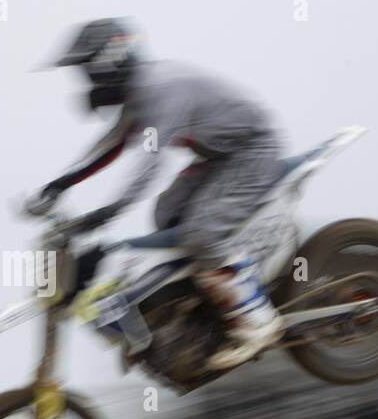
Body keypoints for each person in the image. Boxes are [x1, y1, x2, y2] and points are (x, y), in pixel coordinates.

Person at [28, 18, 286, 370]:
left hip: (251, 150)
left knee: (201, 231)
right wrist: (60, 184)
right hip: (219, 157)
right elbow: (111, 145)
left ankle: (257, 320)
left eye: (88, 69)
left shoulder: (161, 89)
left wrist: (109, 211)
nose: (86, 80)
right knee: (167, 216)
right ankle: (202, 305)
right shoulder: (140, 91)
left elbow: (150, 163)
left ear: (109, 60)